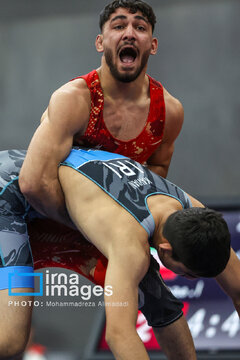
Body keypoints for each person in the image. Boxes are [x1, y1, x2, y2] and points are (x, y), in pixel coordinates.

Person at [2, 149, 240, 359]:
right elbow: (119, 334)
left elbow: (238, 290)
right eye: (189, 275)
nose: (190, 279)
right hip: (9, 193)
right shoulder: (128, 245)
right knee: (11, 341)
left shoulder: (194, 212)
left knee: (160, 302)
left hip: (58, 203)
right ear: (166, 251)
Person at [18, 0, 184, 228]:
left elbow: (156, 174)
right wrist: (89, 227)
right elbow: (33, 183)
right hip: (45, 217)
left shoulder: (169, 111)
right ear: (100, 42)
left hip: (109, 224)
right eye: (118, 26)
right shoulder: (74, 100)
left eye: (140, 27)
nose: (129, 34)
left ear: (153, 45)